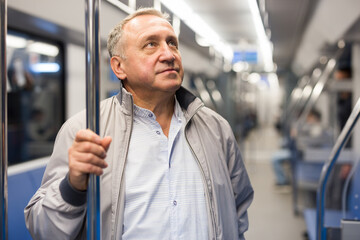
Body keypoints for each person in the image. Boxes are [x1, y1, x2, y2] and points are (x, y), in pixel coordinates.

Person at [24, 8, 254, 240]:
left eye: (172, 43)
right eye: (151, 45)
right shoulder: (85, 129)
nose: (168, 54)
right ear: (118, 67)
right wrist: (73, 187)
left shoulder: (216, 129)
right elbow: (43, 230)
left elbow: (238, 214)